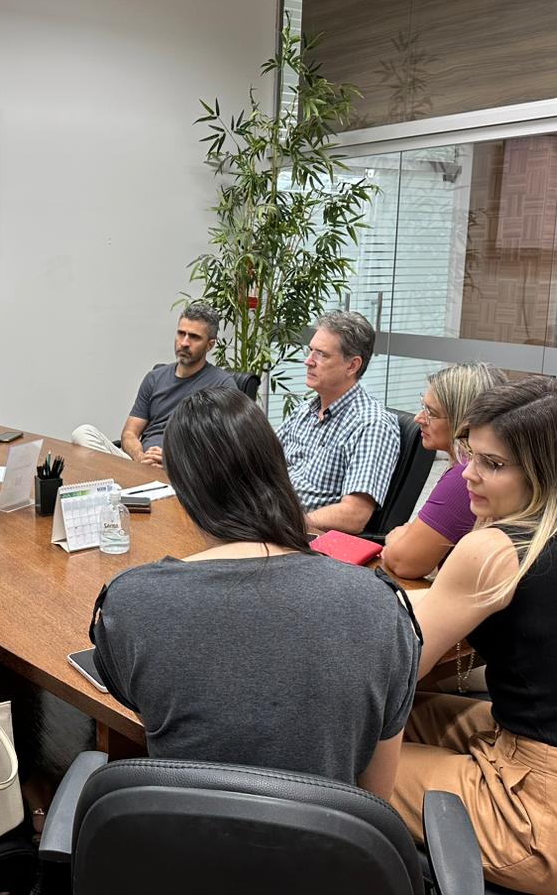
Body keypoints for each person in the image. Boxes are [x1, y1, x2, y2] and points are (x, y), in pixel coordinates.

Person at [90, 386, 420, 798]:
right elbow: (375, 800)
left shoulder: (131, 601)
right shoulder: (380, 605)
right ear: (277, 469)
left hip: (184, 850)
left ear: (185, 491)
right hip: (329, 856)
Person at [391, 376, 557, 895]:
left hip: (549, 824)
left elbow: (389, 672)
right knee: (411, 715)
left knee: (339, 749)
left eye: (493, 464)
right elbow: (437, 610)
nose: (468, 476)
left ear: (544, 471)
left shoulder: (495, 549)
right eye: (471, 456)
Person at [276, 311, 400, 534]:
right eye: (310, 350)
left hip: (305, 539)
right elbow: (263, 463)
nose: (308, 361)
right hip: (271, 520)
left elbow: (355, 515)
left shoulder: (371, 424)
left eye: (321, 354)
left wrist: (290, 522)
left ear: (352, 366)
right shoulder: (304, 410)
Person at [380, 362, 506, 579]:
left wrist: (397, 536)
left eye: (431, 412)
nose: (418, 418)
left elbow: (405, 562)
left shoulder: (465, 476)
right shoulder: (474, 466)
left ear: (463, 420)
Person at [71, 301, 234, 464]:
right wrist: (141, 458)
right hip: (140, 462)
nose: (184, 343)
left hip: (184, 471)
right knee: (83, 432)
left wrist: (172, 461)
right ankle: (133, 480)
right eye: (181, 333)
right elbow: (129, 434)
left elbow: (224, 447)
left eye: (194, 337)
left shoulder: (222, 385)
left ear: (210, 345)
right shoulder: (155, 377)